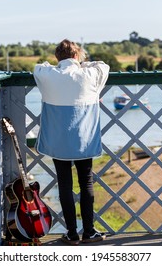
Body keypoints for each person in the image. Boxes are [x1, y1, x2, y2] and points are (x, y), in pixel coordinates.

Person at [33, 39, 110, 245]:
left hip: (59, 140)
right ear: (77, 56)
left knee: (64, 184)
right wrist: (83, 64)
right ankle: (89, 231)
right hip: (83, 138)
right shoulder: (89, 74)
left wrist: (60, 64)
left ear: (58, 57)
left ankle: (72, 233)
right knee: (86, 183)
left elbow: (39, 67)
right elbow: (103, 66)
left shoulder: (49, 75)